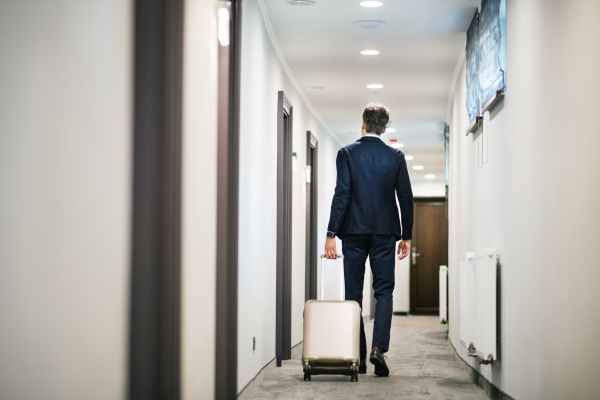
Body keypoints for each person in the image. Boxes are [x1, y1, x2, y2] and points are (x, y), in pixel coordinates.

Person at [324, 103, 413, 377]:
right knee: (384, 291)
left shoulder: (347, 154)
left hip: (353, 232)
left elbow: (342, 194)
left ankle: (358, 355)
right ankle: (378, 349)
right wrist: (406, 236)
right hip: (385, 232)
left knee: (353, 294)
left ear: (363, 123)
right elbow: (406, 198)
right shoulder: (395, 157)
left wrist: (330, 233)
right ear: (384, 128)